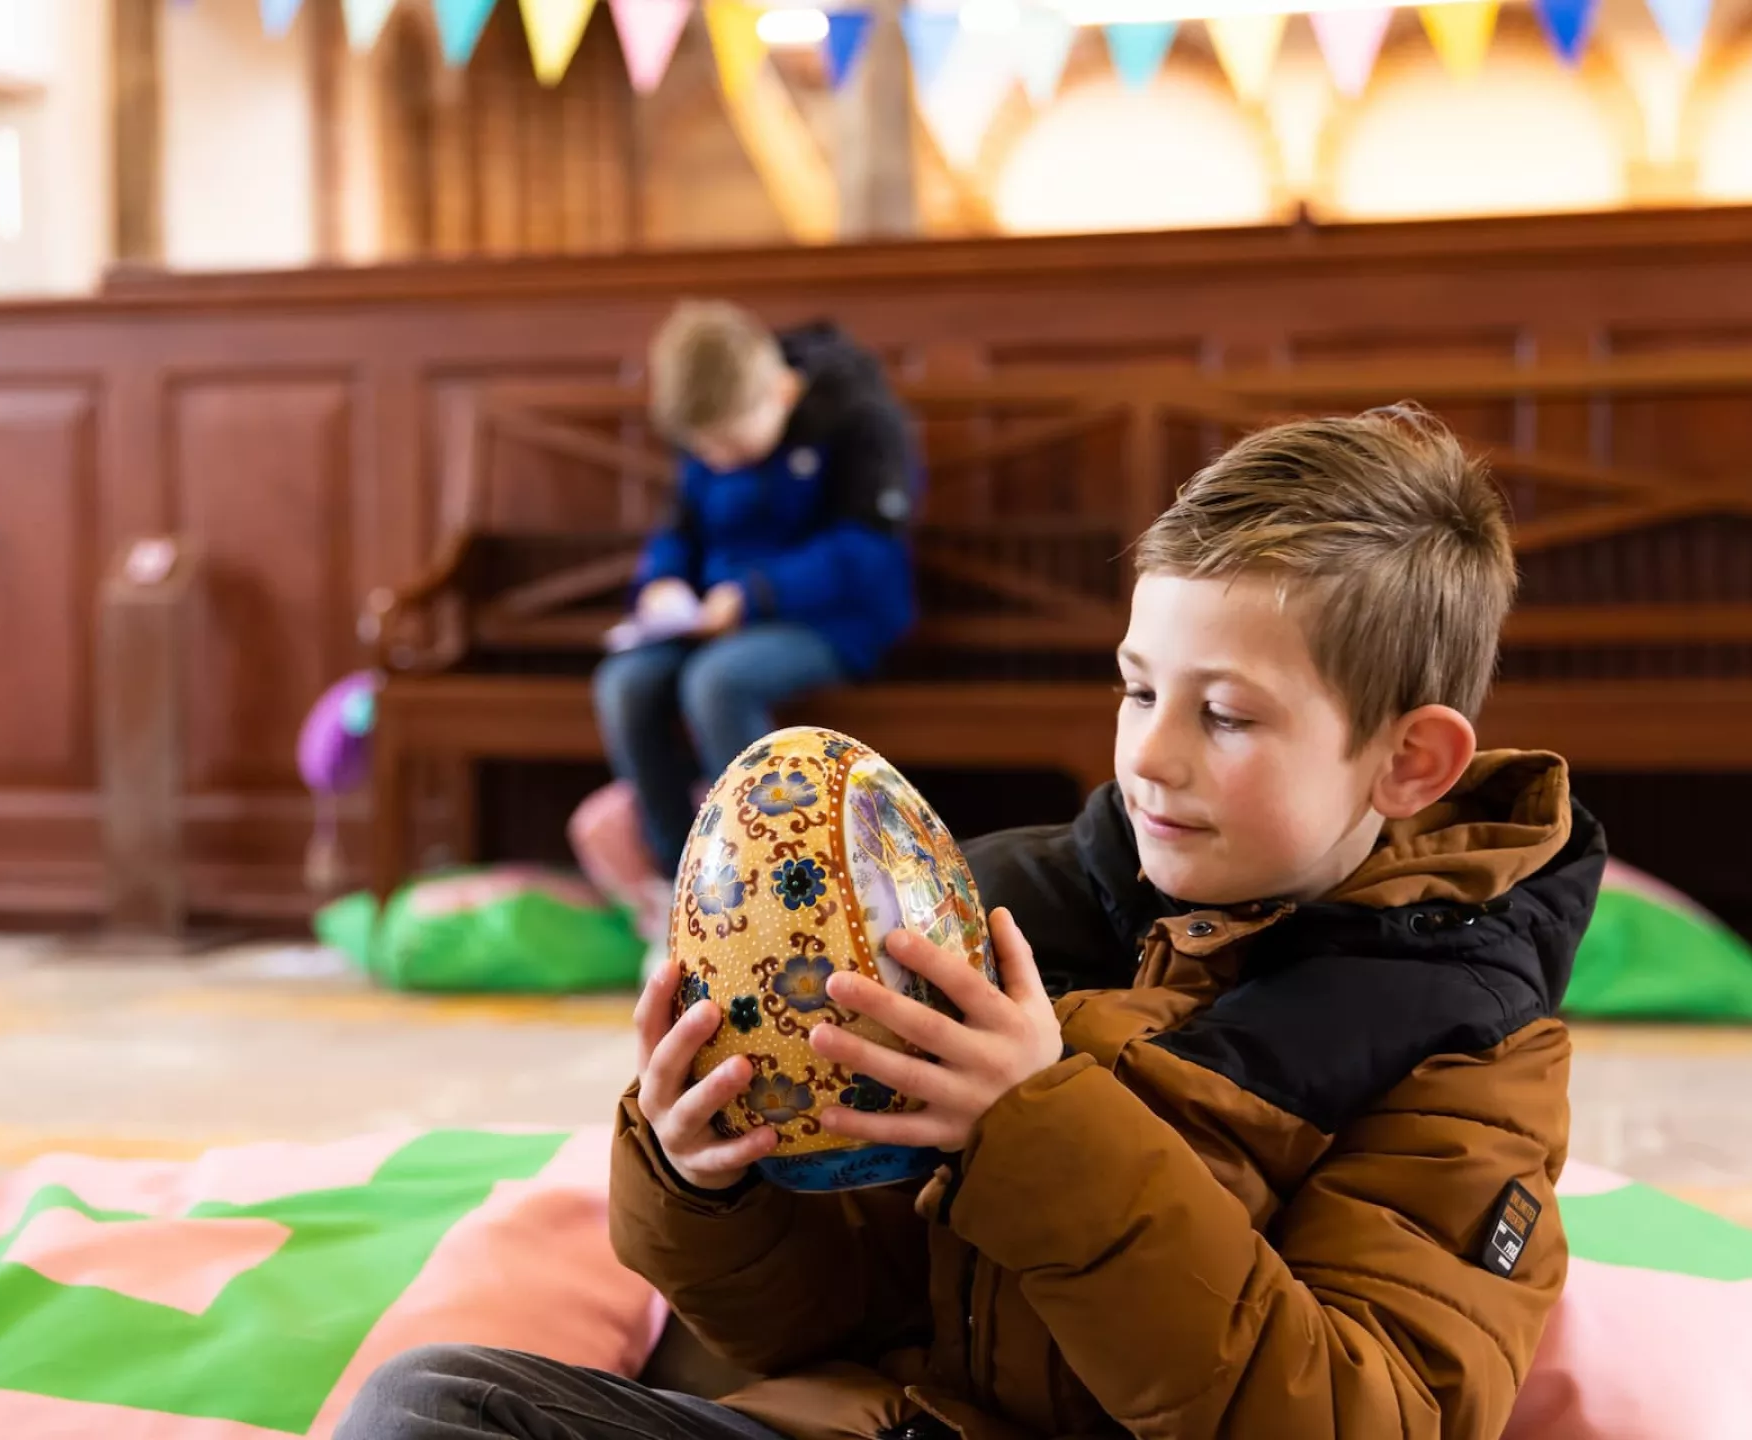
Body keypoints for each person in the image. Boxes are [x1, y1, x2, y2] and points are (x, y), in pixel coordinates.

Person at [341, 406, 1605, 1440]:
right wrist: (708, 1174)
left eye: (1225, 715)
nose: (1149, 758)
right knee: (436, 1410)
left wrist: (1037, 1131)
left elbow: (1359, 1420)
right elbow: (812, 1327)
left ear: (1411, 764)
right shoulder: (1001, 910)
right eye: (1138, 687)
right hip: (881, 1423)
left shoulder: (1468, 1050)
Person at [595, 301, 918, 879]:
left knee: (717, 681)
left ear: (778, 393)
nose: (717, 461)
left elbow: (867, 549)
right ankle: (682, 878)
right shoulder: (712, 426)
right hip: (720, 620)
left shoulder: (860, 419)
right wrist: (662, 581)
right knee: (625, 683)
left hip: (832, 620)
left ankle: (771, 874)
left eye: (731, 446)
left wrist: (755, 594)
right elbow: (681, 527)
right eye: (704, 451)